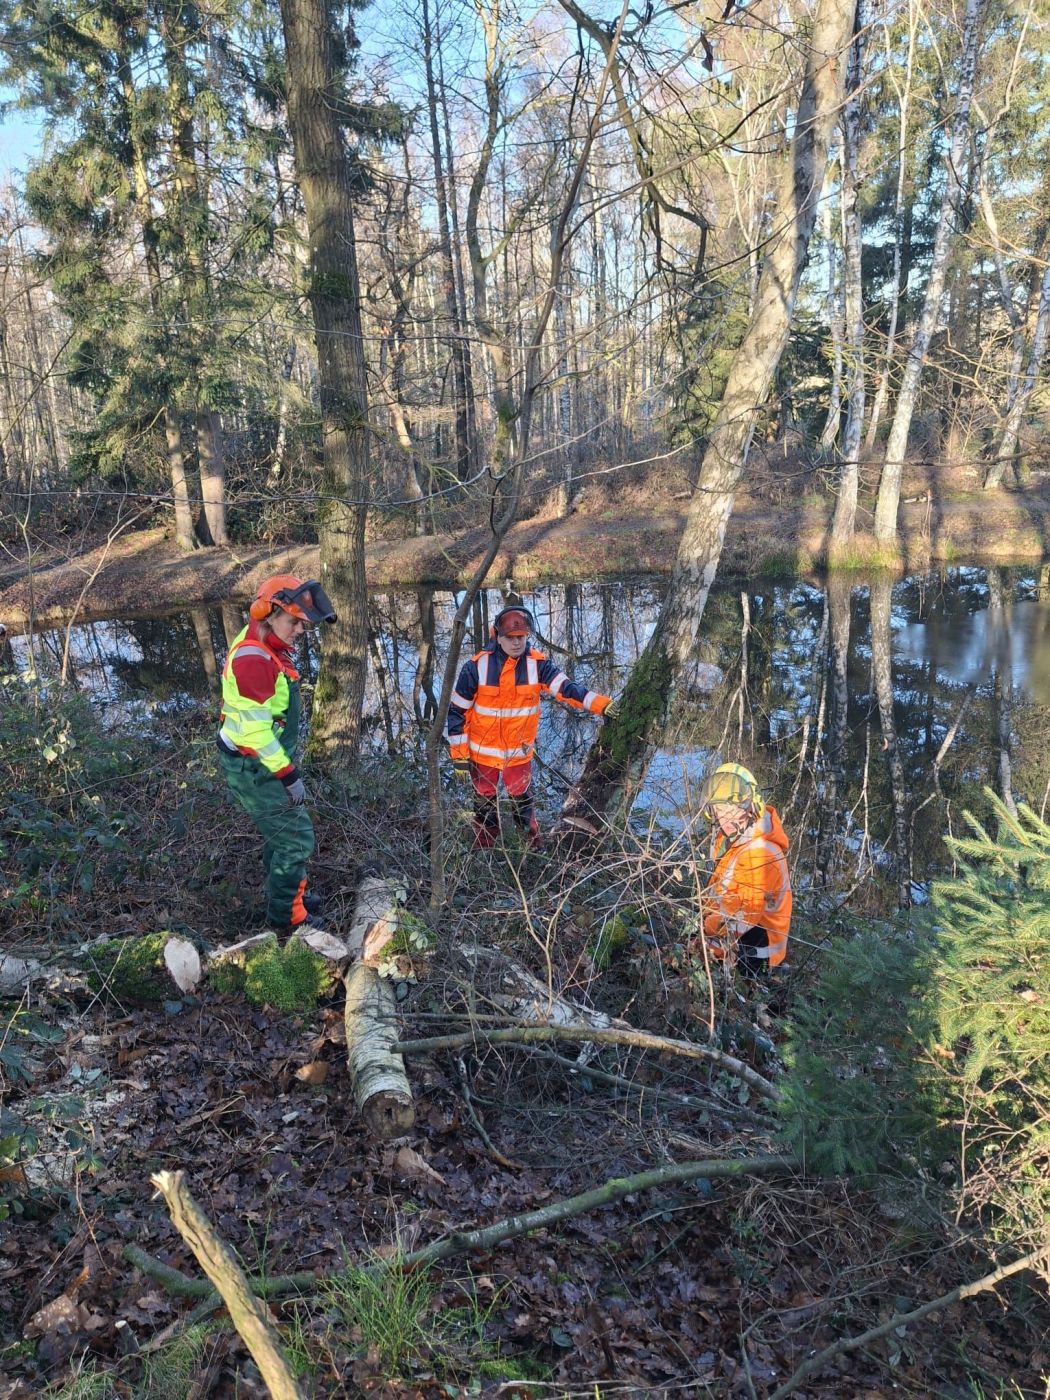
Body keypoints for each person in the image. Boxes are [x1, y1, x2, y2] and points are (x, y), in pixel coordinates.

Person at [217, 574, 336, 932]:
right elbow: (256, 733)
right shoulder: (254, 659)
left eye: (303, 623)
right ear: (267, 615)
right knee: (294, 837)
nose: (301, 630)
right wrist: (288, 775)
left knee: (281, 834)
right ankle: (288, 919)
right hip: (254, 764)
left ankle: (286, 895)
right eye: (294, 622)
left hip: (261, 758)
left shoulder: (265, 643)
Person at [445, 605, 619, 849]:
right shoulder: (476, 667)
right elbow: (457, 713)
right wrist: (460, 756)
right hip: (482, 754)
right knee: (484, 805)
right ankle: (484, 848)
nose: (517, 643)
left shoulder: (537, 665)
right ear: (498, 636)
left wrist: (601, 704)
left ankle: (531, 848)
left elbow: (567, 689)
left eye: (522, 637)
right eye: (511, 638)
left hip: (519, 752)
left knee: (523, 804)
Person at [699, 762, 791, 977]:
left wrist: (701, 937)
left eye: (732, 809)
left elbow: (741, 917)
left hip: (754, 956)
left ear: (751, 806)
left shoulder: (760, 854)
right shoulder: (734, 837)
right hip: (727, 932)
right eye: (719, 810)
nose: (725, 818)